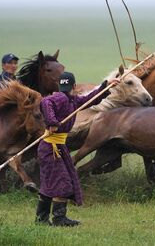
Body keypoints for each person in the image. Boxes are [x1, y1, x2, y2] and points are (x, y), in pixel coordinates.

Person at [35, 71, 120, 226]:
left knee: (50, 182)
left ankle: (42, 219)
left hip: (56, 146)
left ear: (60, 85)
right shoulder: (60, 98)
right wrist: (52, 122)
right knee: (64, 182)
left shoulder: (72, 100)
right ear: (74, 85)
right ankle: (58, 219)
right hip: (51, 147)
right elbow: (45, 102)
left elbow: (91, 99)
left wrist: (106, 86)